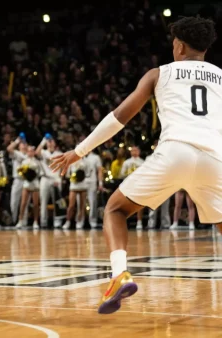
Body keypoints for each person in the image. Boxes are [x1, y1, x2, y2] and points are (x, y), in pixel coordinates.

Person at [50, 16, 220, 314]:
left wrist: (79, 151)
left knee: (115, 209)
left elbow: (120, 116)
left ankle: (119, 275)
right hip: (215, 156)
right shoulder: (221, 76)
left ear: (179, 46)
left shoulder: (159, 74)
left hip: (176, 150)